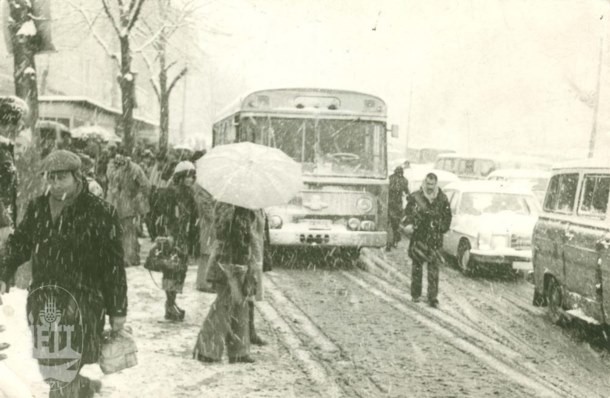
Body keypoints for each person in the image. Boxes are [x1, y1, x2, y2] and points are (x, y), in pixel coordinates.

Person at [0, 149, 128, 397]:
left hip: (83, 301)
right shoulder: (38, 208)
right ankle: (82, 387)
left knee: (64, 368)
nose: (56, 184)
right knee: (51, 367)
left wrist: (118, 309)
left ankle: (72, 388)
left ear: (77, 177)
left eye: (62, 178)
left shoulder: (100, 212)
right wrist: (3, 272)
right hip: (45, 300)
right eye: (51, 178)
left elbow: (113, 267)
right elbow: (21, 244)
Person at [193, 202, 258, 364]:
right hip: (227, 262)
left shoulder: (243, 208)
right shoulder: (228, 207)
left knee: (240, 306)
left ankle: (239, 351)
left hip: (239, 261)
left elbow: (243, 237)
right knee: (224, 305)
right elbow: (225, 234)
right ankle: (207, 349)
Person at [152, 161, 199, 321]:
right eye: (188, 176)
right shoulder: (169, 193)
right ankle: (170, 304)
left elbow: (193, 217)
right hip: (172, 237)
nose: (191, 179)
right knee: (171, 269)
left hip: (183, 237)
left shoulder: (189, 194)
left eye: (193, 176)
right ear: (180, 177)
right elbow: (162, 216)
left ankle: (172, 303)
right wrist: (166, 234)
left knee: (180, 271)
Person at [404, 173, 451, 308]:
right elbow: (407, 214)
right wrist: (410, 224)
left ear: (436, 184)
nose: (430, 187)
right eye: (428, 184)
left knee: (434, 270)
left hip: (434, 239)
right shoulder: (415, 197)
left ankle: (432, 298)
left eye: (432, 184)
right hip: (419, 237)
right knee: (417, 268)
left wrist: (441, 228)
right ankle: (415, 294)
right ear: (425, 182)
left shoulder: (442, 198)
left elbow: (448, 217)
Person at [106, 151, 151, 266]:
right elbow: (145, 186)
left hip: (116, 204)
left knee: (123, 232)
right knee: (128, 232)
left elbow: (145, 186)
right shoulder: (132, 169)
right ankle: (129, 257)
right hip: (124, 204)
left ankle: (126, 256)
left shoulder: (113, 168)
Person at [387, 166, 409, 251]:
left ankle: (389, 243)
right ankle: (394, 241)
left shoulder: (390, 178)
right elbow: (407, 192)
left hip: (390, 204)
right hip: (397, 205)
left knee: (390, 225)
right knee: (395, 225)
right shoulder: (404, 180)